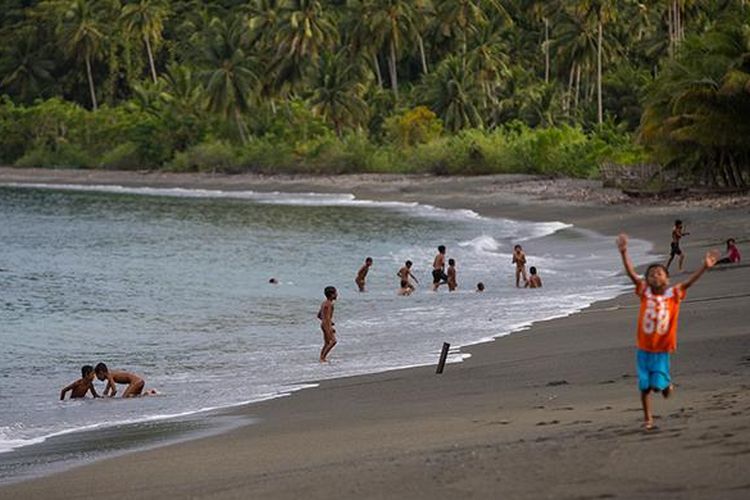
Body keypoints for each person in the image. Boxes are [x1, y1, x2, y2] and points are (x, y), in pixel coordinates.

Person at [617, 233, 718, 430]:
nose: (655, 276)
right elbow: (631, 274)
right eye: (652, 274)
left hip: (662, 349)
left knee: (659, 387)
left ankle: (667, 386)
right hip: (644, 349)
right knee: (645, 386)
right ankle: (648, 419)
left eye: (659, 273)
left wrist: (704, 266)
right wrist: (623, 252)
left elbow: (688, 283)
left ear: (667, 279)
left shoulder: (674, 294)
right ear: (646, 280)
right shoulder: (644, 292)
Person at [318, 286, 338, 362]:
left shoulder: (324, 303)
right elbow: (327, 318)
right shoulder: (329, 304)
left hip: (323, 324)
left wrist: (330, 322)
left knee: (327, 343)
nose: (337, 295)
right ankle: (322, 358)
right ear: (332, 295)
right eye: (336, 293)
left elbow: (319, 315)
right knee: (333, 341)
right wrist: (330, 327)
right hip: (326, 325)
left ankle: (322, 357)